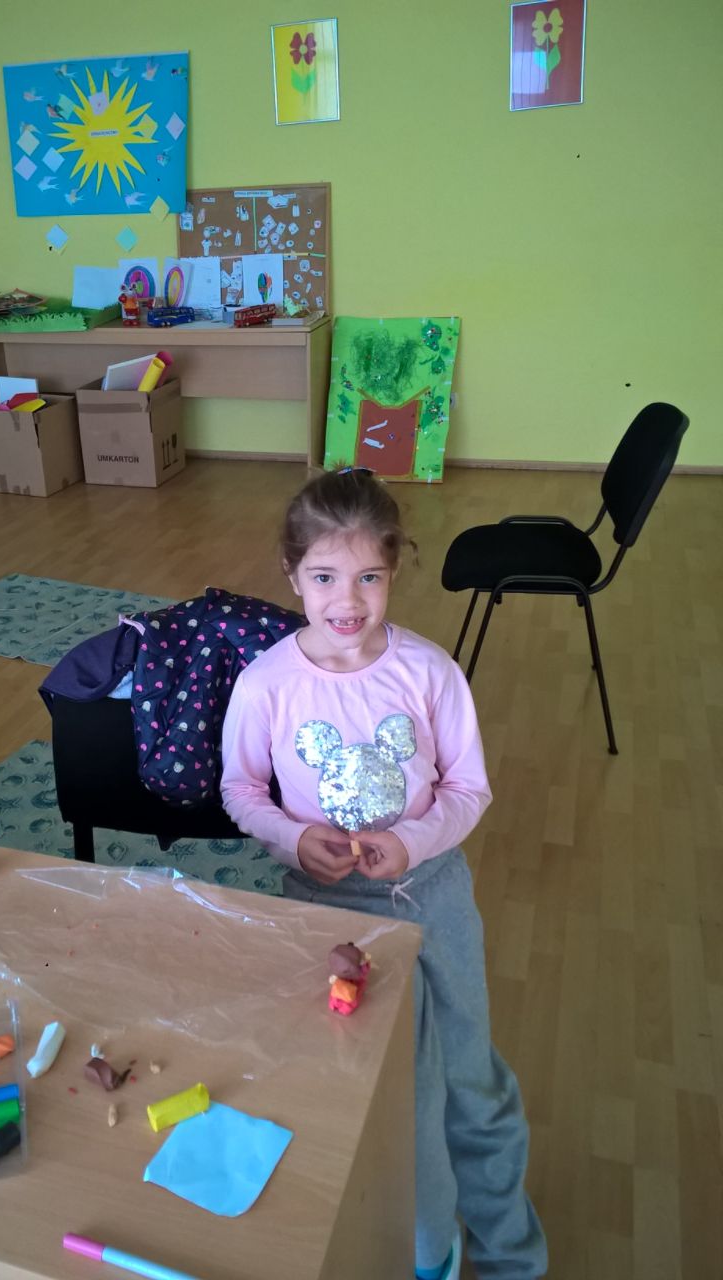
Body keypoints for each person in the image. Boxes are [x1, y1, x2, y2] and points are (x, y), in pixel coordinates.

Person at [220, 467, 547, 1280]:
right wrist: (294, 838)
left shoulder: (429, 671)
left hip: (432, 898)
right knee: (384, 1093)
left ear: (394, 570)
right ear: (291, 573)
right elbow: (241, 789)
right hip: (327, 912)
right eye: (325, 577)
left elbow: (469, 789)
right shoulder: (266, 684)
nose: (348, 601)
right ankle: (424, 1250)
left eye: (369, 576)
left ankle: (511, 1254)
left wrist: (413, 840)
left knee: (470, 1080)